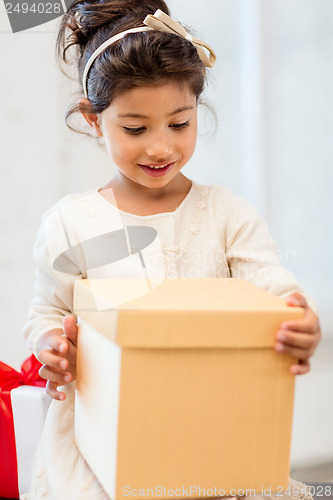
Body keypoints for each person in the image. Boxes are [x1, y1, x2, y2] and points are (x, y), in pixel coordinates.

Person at [22, 0, 321, 498]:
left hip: (213, 431)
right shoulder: (71, 222)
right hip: (102, 440)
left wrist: (297, 318)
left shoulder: (226, 214)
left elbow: (271, 286)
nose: (160, 147)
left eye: (179, 124)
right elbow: (46, 312)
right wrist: (52, 344)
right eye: (135, 129)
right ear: (94, 121)